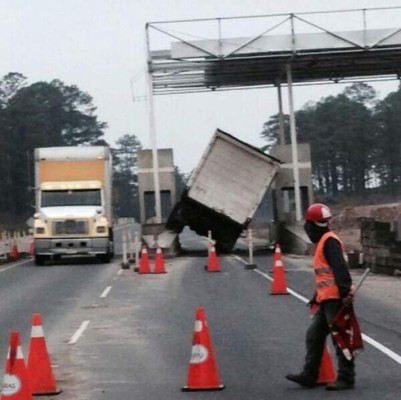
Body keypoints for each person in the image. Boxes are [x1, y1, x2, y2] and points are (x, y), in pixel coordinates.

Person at [285, 203, 355, 391]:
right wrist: (317, 296)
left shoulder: (329, 241)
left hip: (336, 300)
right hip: (326, 300)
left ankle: (346, 377)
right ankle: (310, 375)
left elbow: (340, 269)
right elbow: (327, 275)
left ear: (312, 225)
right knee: (314, 335)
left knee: (340, 339)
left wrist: (345, 293)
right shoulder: (325, 240)